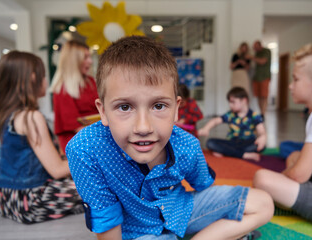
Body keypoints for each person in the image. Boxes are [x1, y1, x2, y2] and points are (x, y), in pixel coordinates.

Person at [66, 36, 273, 240]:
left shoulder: (187, 145)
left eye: (158, 106)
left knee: (264, 203)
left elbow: (205, 186)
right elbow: (106, 219)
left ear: (176, 109)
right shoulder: (85, 149)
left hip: (181, 211)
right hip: (138, 232)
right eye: (125, 107)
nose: (143, 127)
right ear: (102, 112)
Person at [253, 42, 312, 232]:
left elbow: (299, 174)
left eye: (296, 79)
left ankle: (286, 200)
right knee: (294, 155)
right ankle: (291, 197)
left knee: (262, 178)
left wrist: (282, 179)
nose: (290, 85)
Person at [0, 51, 83, 224]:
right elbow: (57, 170)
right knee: (101, 187)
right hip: (30, 201)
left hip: (4, 199)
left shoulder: (5, 115)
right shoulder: (30, 117)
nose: (46, 80)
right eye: (44, 75)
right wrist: (94, 157)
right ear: (32, 78)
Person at [50, 40, 99, 153]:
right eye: (85, 57)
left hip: (94, 137)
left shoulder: (90, 81)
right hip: (79, 143)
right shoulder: (62, 89)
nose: (90, 61)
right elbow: (75, 126)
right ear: (74, 60)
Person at [198, 87, 266, 162]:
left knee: (261, 146)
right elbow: (215, 121)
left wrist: (262, 137)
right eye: (229, 102)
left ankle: (227, 152)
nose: (230, 105)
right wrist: (206, 129)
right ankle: (245, 155)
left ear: (244, 100)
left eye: (233, 102)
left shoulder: (254, 115)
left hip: (247, 142)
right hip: (232, 142)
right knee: (210, 143)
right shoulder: (230, 114)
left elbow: (261, 130)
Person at [252, 40, 271, 117]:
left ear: (260, 45)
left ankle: (263, 113)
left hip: (264, 77)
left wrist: (251, 57)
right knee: (258, 96)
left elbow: (263, 61)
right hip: (256, 77)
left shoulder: (266, 51)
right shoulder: (256, 53)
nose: (255, 49)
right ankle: (261, 112)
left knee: (264, 95)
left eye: (256, 47)